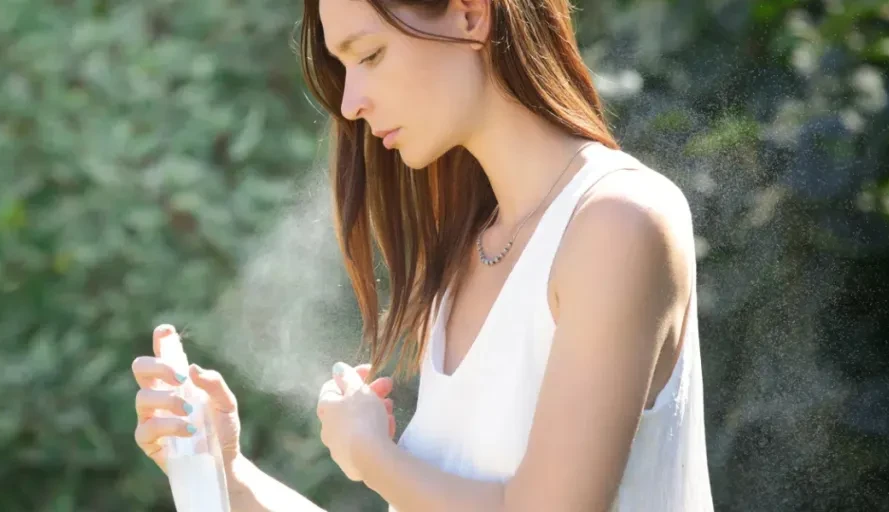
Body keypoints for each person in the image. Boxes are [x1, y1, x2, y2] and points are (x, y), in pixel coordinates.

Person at [131, 0, 715, 510]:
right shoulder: (465, 258)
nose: (352, 101)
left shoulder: (617, 221)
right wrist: (226, 473)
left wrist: (374, 458)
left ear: (470, 15)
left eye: (370, 55)